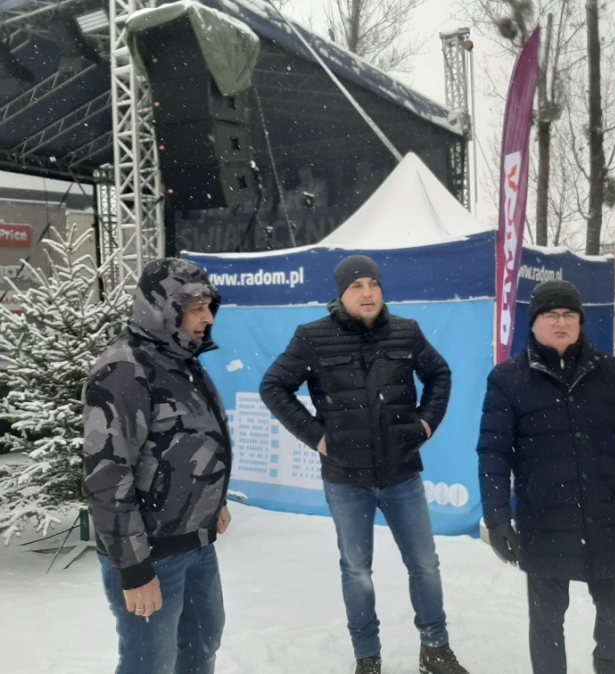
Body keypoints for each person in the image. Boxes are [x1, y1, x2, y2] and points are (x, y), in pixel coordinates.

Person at [259, 255, 470, 674]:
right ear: (341, 294)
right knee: (356, 570)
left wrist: (425, 424)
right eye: (357, 286)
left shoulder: (406, 332)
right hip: (346, 480)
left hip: (402, 474)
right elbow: (273, 386)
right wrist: (317, 437)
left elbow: (440, 374)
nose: (368, 293)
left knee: (425, 565)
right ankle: (367, 657)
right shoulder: (313, 337)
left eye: (373, 284)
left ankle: (435, 648)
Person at [476, 279, 615, 674]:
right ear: (534, 323)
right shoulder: (508, 379)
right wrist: (497, 518)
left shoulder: (610, 372)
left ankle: (607, 668)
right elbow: (494, 453)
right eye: (551, 314)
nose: (561, 322)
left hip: (606, 514)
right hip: (544, 516)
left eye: (569, 315)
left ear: (580, 321)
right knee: (547, 618)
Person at [83, 258, 232, 674]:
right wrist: (134, 570)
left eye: (209, 306)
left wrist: (213, 501)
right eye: (196, 308)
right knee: (149, 665)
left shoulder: (182, 361)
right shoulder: (124, 369)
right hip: (151, 553)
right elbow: (107, 475)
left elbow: (189, 443)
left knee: (201, 649)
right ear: (163, 309)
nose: (207, 317)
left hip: (196, 545)